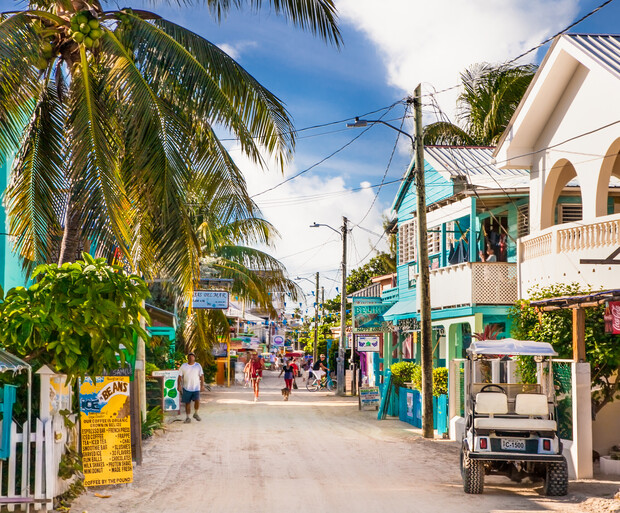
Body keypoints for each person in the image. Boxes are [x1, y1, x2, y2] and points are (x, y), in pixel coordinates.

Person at [177, 352, 204, 424]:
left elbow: (201, 376)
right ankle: (188, 417)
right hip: (186, 387)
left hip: (196, 387)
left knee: (197, 400)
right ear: (188, 358)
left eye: (192, 356)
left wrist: (202, 385)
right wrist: (179, 385)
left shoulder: (198, 366)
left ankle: (196, 413)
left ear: (194, 358)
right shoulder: (183, 366)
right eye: (190, 356)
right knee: (187, 403)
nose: (191, 358)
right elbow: (179, 376)